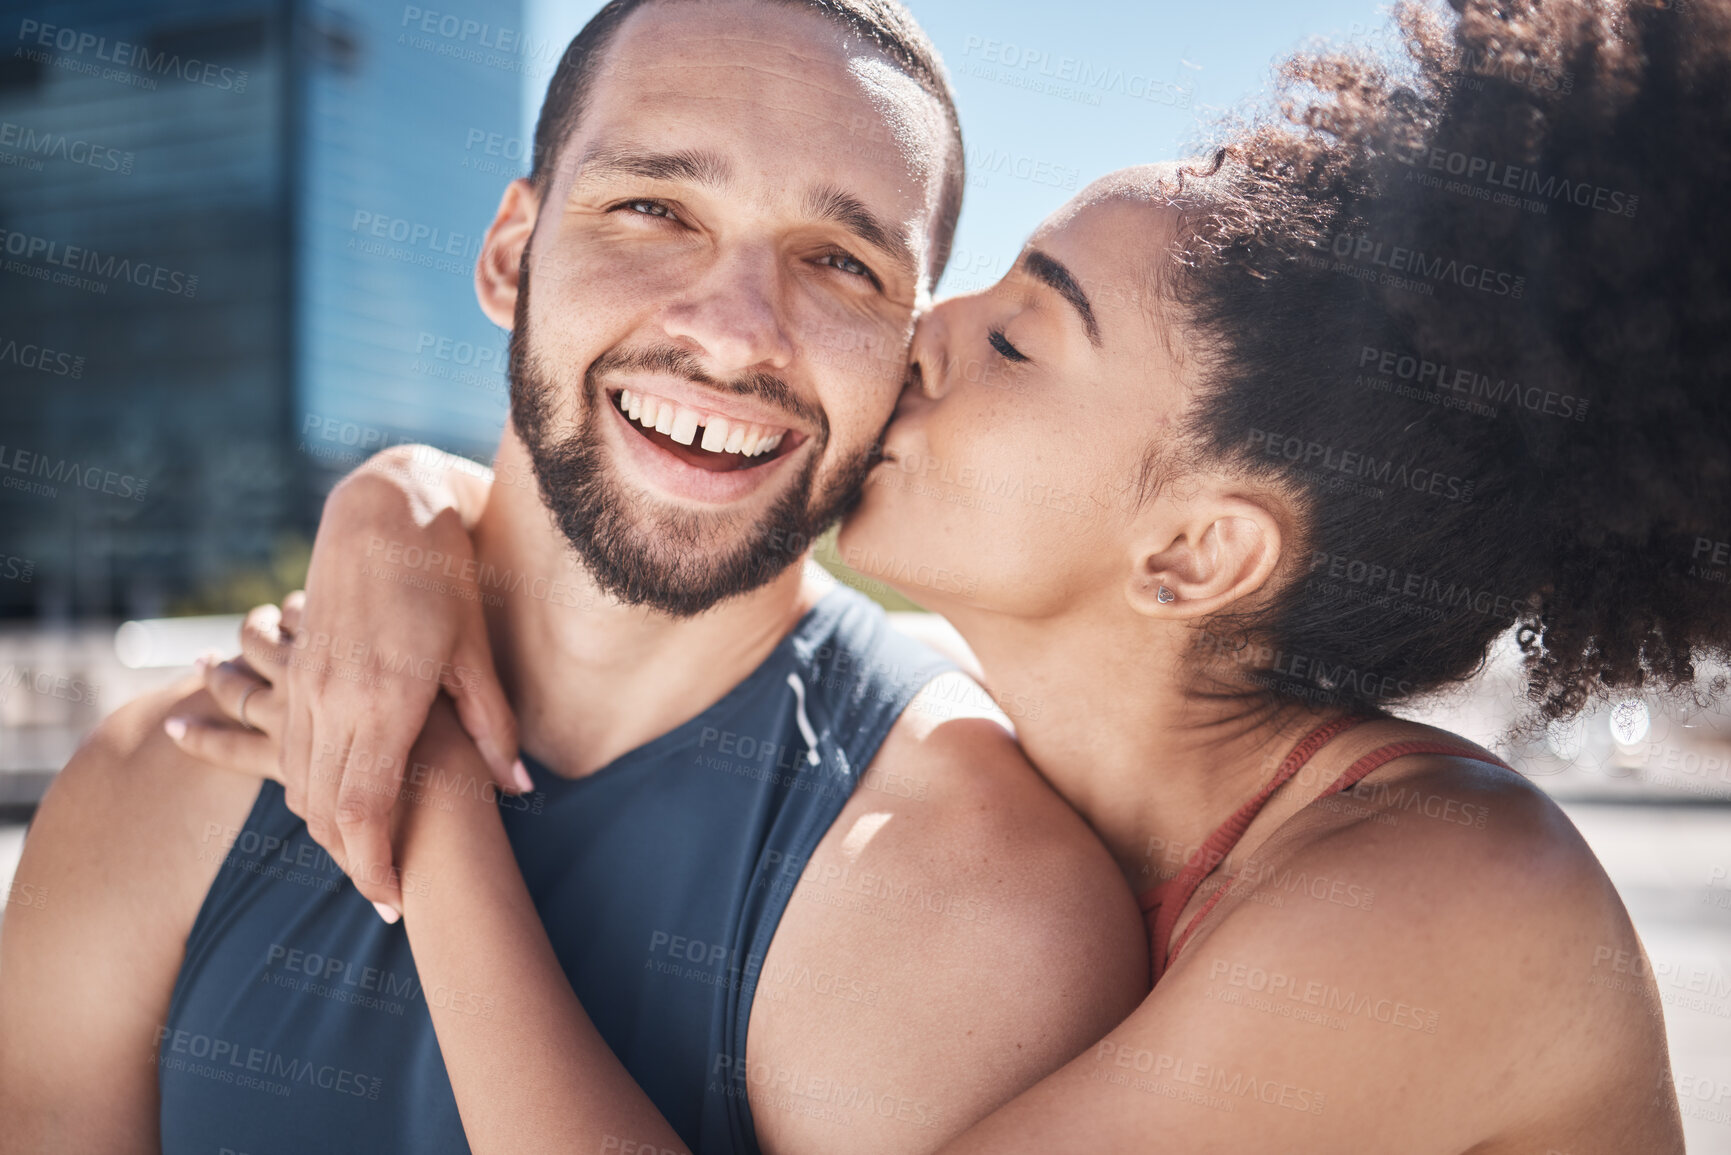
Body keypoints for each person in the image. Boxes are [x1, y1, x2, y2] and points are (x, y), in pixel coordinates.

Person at [168, 0, 1726, 1149]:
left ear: (1191, 549)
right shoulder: (1066, 795)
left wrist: (420, 789)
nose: (909, 338)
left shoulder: (1432, 903)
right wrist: (403, 502)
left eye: (1014, 339)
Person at [0, 2, 1149, 1153]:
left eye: (841, 262)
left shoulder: (980, 903)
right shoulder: (156, 786)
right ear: (511, 258)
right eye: (654, 209)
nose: (736, 333)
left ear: (906, 354)